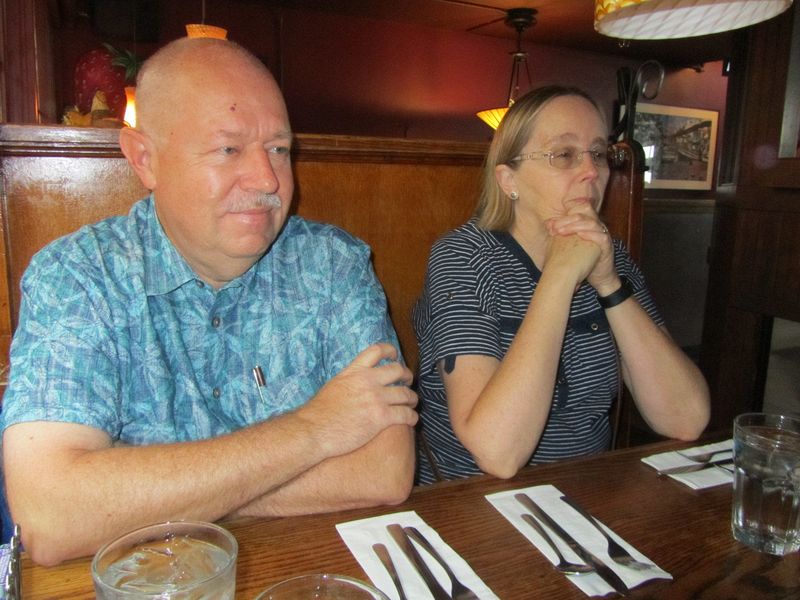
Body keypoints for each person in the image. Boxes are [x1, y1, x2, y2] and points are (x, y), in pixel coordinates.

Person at [1, 37, 418, 566]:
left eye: (279, 149)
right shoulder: (78, 277)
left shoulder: (335, 265)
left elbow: (384, 472)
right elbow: (51, 516)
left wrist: (137, 493)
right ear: (145, 159)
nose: (268, 179)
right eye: (228, 149)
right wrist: (315, 429)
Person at [412, 85, 710, 484]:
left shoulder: (612, 257)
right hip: (473, 504)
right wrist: (560, 275)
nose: (592, 171)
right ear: (508, 179)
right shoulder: (464, 257)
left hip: (586, 494)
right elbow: (497, 453)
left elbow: (686, 419)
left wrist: (608, 283)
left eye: (599, 153)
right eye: (564, 155)